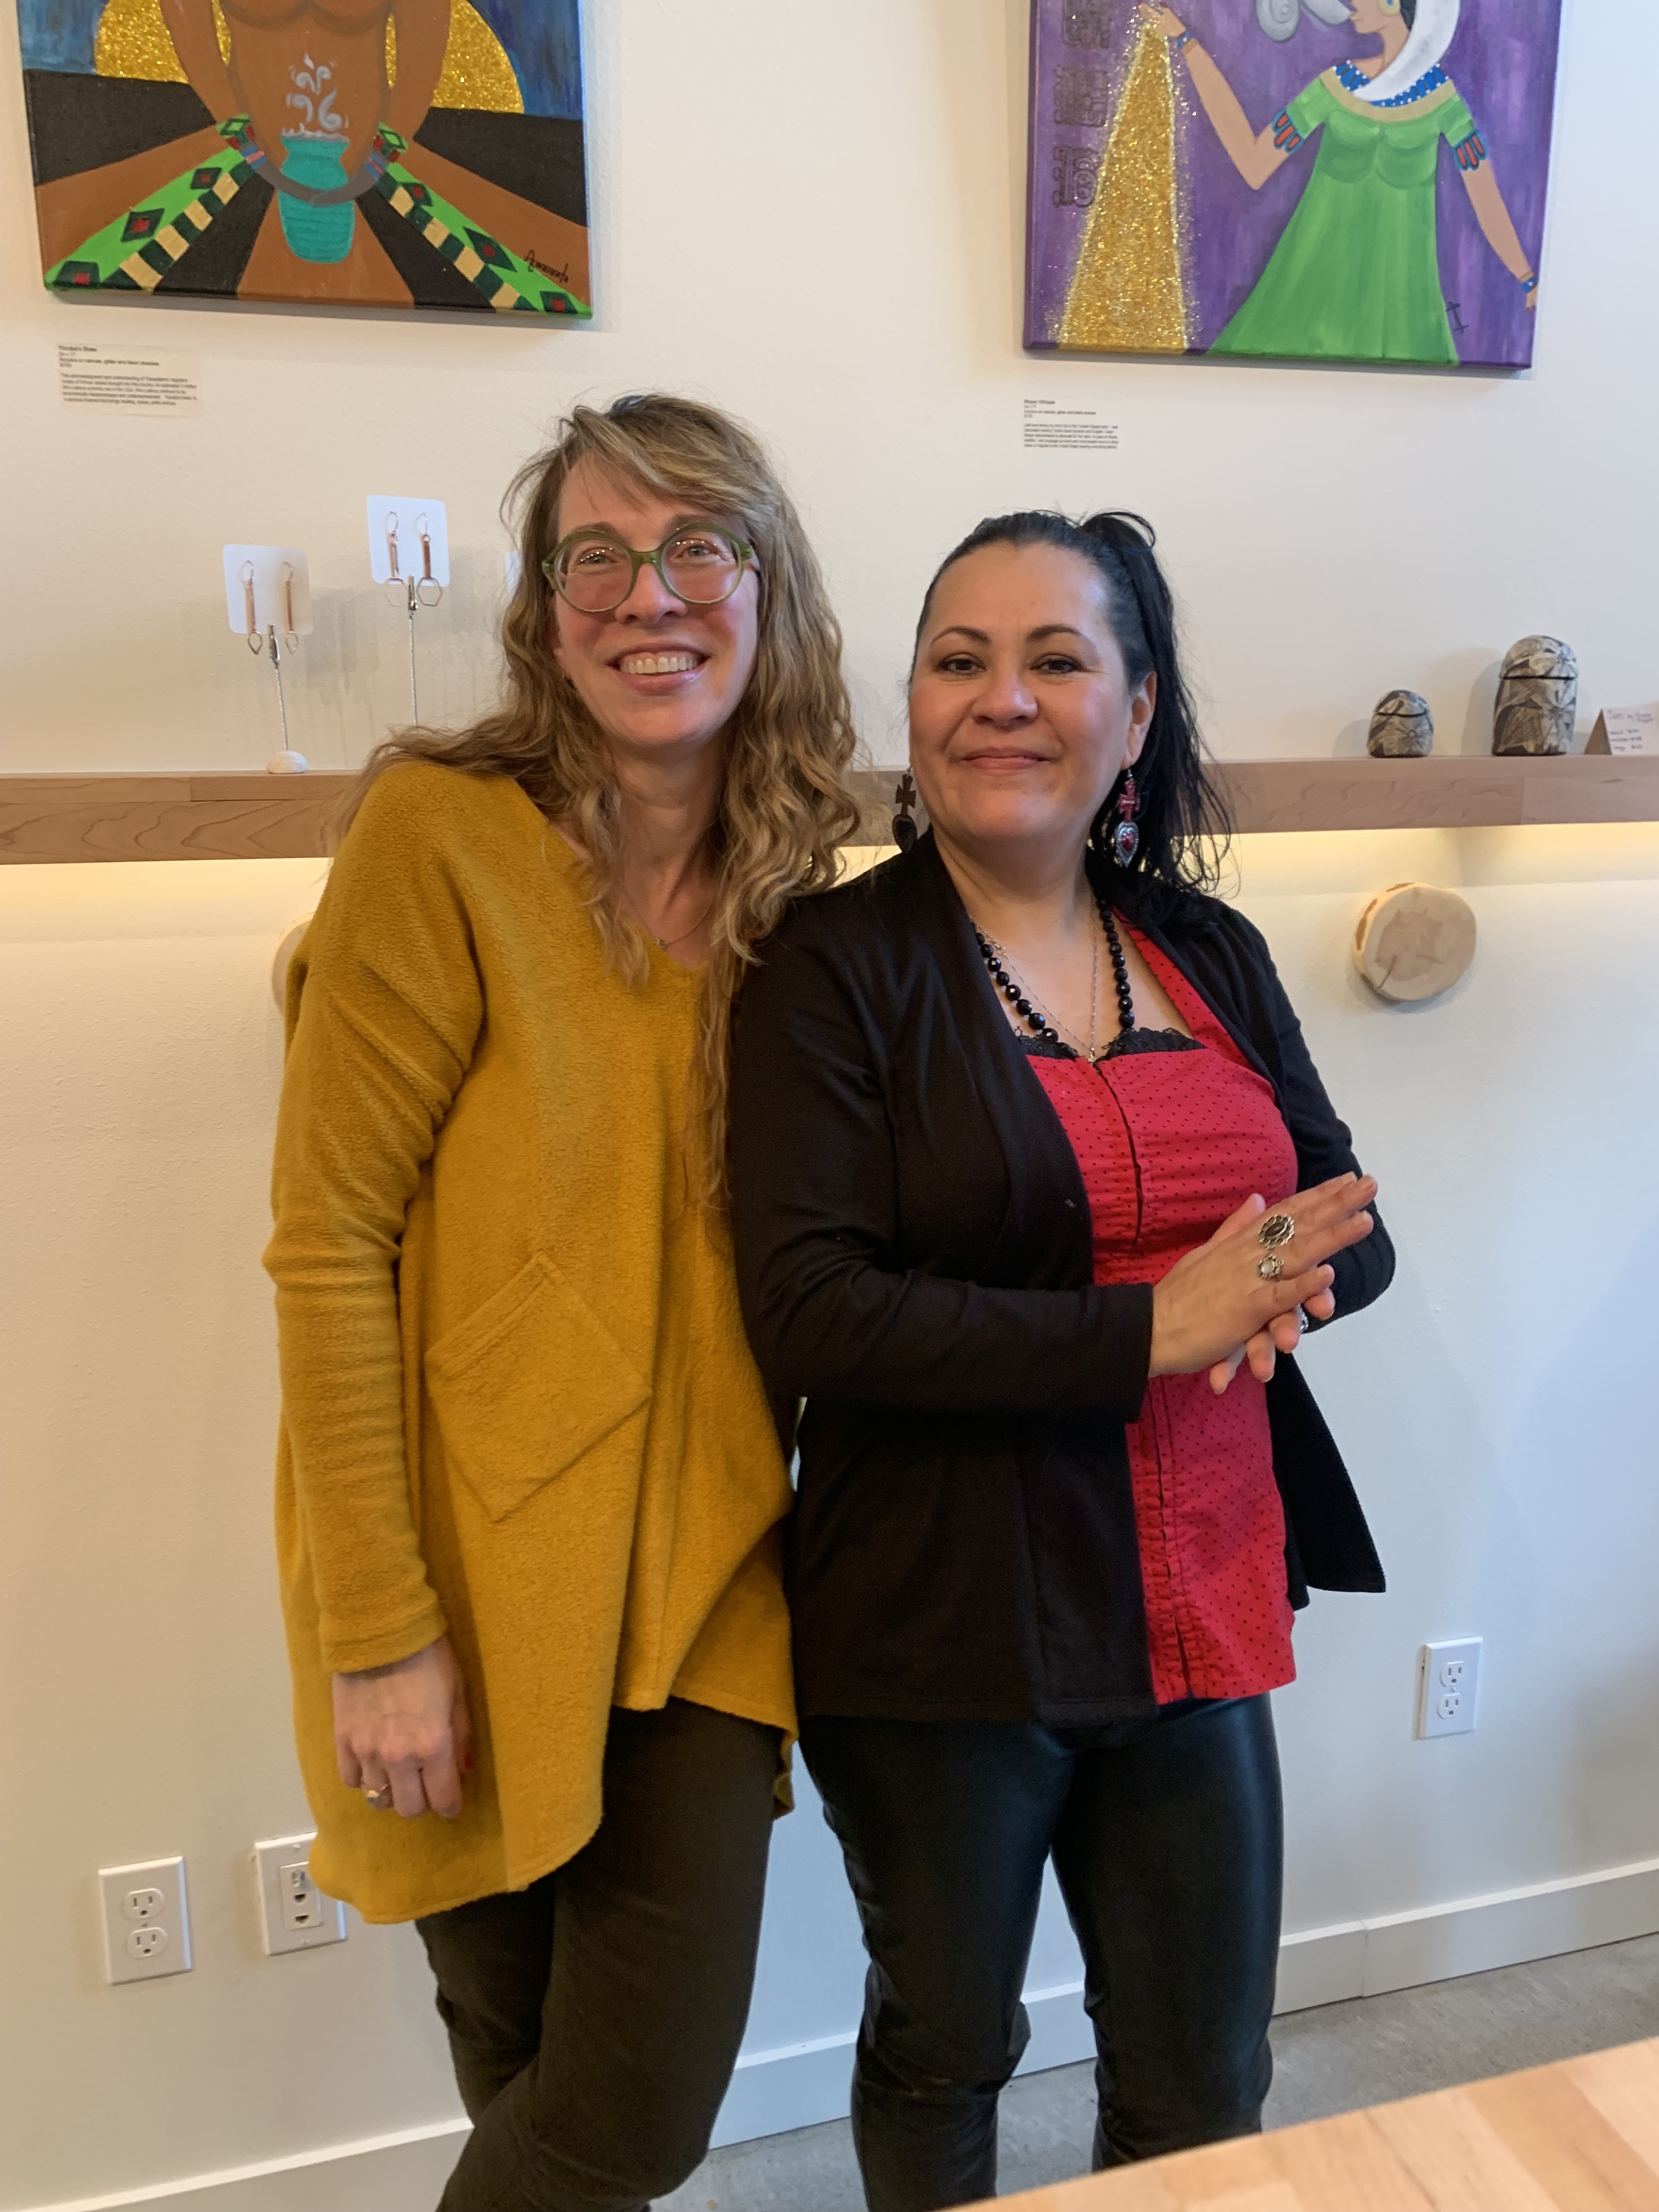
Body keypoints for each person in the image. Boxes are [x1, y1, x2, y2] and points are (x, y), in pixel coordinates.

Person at [727, 509, 1394, 2211]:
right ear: (914, 703)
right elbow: (810, 1308)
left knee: (1204, 2072)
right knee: (948, 2045)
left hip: (1202, 1596)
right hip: (947, 1616)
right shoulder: (832, 968)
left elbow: (1345, 1213)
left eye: (1054, 660)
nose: (1001, 698)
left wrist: (1282, 1284)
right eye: (960, 660)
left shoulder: (1207, 948)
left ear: (1136, 709)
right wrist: (1152, 1326)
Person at [264, 393, 860, 2211]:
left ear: (767, 588)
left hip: (707, 1582)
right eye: (594, 557)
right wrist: (380, 1628)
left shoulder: (802, 896)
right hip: (463, 1576)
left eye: (696, 550)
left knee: (626, 2118)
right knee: (530, 2084)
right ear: (541, 609)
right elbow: (328, 1242)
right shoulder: (441, 838)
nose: (645, 596)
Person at [1141, 0, 1539, 362]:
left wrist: (1527, 280)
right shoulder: (1335, 86)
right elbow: (1253, 162)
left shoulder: (1443, 102)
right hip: (1306, 299)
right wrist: (1189, 45)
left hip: (1402, 314)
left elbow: (1485, 200)